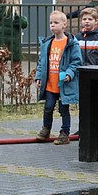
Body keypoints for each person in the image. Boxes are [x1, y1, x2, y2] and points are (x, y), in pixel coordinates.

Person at [34, 11, 82, 145]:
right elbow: (41, 62)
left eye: (56, 23)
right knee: (48, 107)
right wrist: (39, 77)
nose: (52, 25)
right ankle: (46, 129)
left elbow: (76, 62)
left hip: (63, 84)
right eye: (51, 23)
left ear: (64, 25)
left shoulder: (71, 43)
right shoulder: (47, 43)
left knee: (63, 109)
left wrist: (69, 74)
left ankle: (64, 133)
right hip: (50, 84)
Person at [75, 7, 98, 139]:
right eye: (84, 19)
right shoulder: (77, 38)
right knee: (82, 103)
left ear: (96, 22)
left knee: (97, 103)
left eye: (90, 19)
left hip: (95, 76)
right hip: (81, 76)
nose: (87, 22)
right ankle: (83, 127)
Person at [0, 0, 28, 69]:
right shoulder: (13, 15)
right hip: (13, 42)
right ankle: (17, 79)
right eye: (17, 0)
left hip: (1, 40)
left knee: (0, 61)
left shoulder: (1, 13)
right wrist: (24, 19)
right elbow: (24, 24)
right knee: (16, 62)